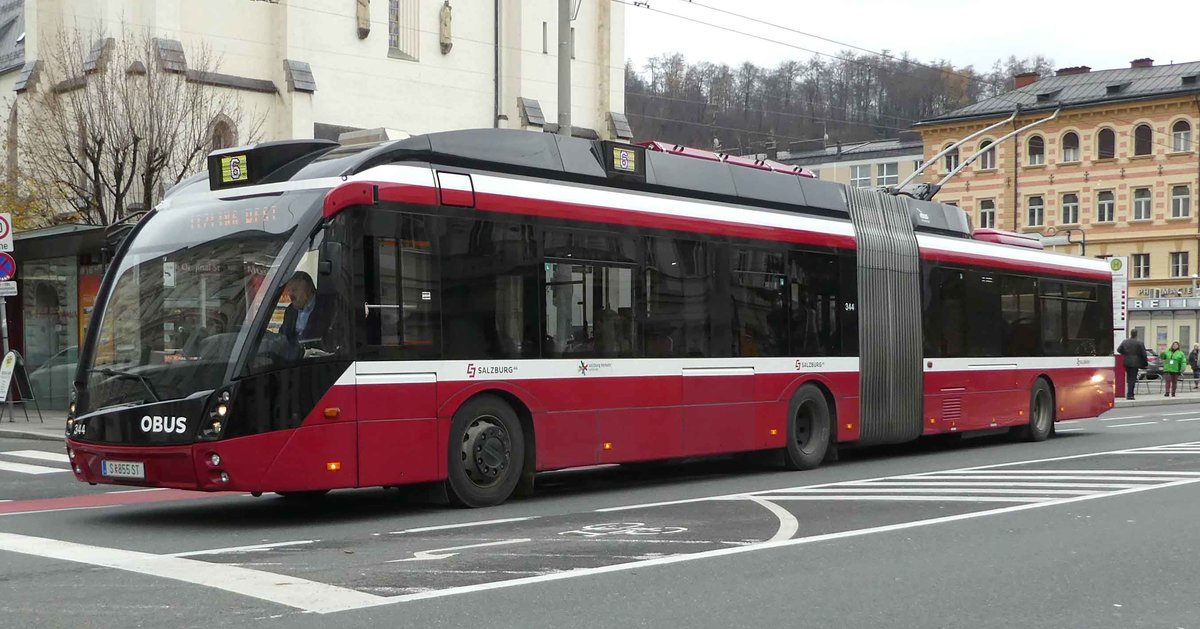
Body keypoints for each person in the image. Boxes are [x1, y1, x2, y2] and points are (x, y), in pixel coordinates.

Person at [279, 271, 333, 350]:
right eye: (289, 290)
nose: (290, 294)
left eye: (294, 290)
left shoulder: (326, 307)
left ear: (308, 289)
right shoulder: (290, 311)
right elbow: (283, 336)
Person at [1116, 330, 1148, 400]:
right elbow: (1144, 354)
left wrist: (1125, 354)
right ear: (1136, 334)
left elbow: (1118, 350)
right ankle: (1130, 394)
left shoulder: (1125, 341)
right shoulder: (1139, 342)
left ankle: (1129, 393)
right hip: (1135, 362)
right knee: (1132, 379)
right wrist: (1145, 363)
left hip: (1127, 361)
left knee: (1129, 378)